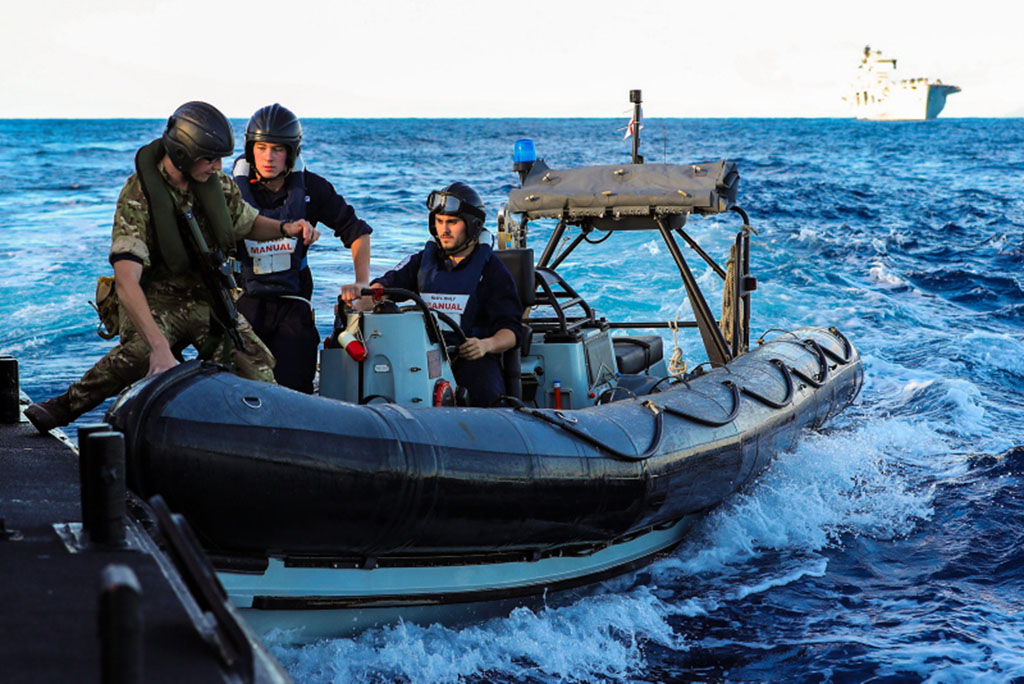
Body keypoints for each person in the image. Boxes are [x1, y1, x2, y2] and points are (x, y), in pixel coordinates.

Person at [24, 101, 320, 434]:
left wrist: (286, 228)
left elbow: (246, 222)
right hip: (157, 300)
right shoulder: (140, 195)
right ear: (184, 153)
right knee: (138, 354)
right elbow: (126, 281)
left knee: (256, 363)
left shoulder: (217, 185)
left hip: (208, 299)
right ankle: (64, 406)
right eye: (210, 159)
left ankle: (260, 440)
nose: (218, 166)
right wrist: (160, 349)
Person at [232, 103, 372, 393]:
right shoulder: (229, 191)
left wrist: (362, 283)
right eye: (261, 148)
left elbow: (357, 231)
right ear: (250, 149)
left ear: (291, 152)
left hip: (293, 304)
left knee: (295, 387)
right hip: (245, 302)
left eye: (277, 149)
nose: (269, 157)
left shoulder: (312, 189)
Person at [344, 182, 523, 407]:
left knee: (485, 393)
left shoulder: (493, 271)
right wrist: (359, 299)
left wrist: (485, 345)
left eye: (452, 222)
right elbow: (385, 287)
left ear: (473, 225)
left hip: (473, 359)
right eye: (439, 222)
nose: (444, 230)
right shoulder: (421, 262)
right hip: (424, 357)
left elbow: (513, 331)